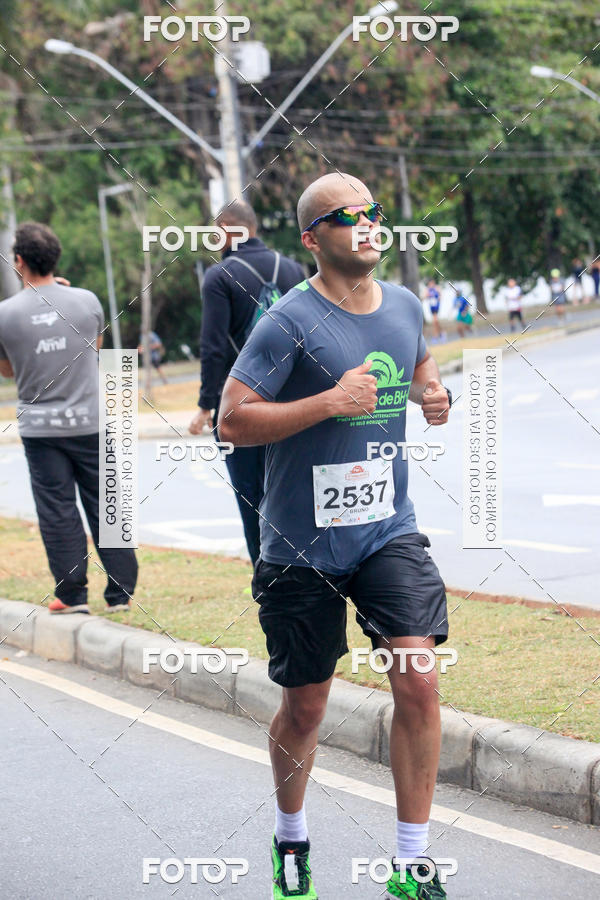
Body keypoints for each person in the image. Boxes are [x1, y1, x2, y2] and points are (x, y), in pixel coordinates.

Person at [219, 174, 452, 900]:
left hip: (388, 531)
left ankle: (411, 862)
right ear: (313, 237)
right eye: (347, 216)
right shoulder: (286, 321)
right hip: (300, 545)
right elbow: (233, 418)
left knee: (417, 678)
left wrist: (432, 392)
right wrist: (327, 402)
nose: (368, 223)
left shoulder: (408, 305)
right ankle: (292, 839)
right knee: (307, 705)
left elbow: (416, 363)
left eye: (374, 211)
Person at [0, 222, 138, 614]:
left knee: (57, 510)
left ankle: (73, 595)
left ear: (20, 261)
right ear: (55, 258)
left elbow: (7, 372)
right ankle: (120, 594)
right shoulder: (87, 301)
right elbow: (92, 350)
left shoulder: (4, 314)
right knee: (108, 505)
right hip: (91, 423)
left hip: (40, 429)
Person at [189, 200, 305, 566]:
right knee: (295, 493)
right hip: (294, 404)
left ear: (227, 228)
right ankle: (306, 574)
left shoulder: (220, 277)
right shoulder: (294, 269)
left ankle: (266, 578)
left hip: (244, 407)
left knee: (251, 497)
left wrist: (206, 405)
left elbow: (213, 348)